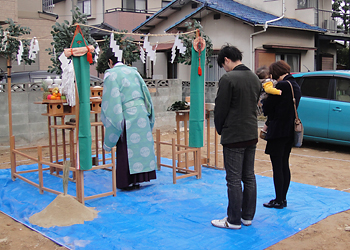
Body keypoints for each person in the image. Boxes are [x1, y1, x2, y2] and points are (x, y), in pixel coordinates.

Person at [211, 45, 261, 229]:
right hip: (251, 133)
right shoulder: (255, 78)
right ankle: (247, 217)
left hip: (234, 135)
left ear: (226, 60)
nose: (224, 68)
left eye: (223, 64)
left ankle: (233, 220)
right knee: (248, 176)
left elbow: (221, 108)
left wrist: (220, 128)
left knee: (233, 178)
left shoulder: (228, 78)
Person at [101, 48, 156, 190]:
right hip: (141, 112)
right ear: (123, 60)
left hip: (127, 114)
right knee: (140, 148)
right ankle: (138, 179)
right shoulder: (134, 72)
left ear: (110, 62)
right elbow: (146, 94)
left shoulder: (111, 75)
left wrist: (115, 118)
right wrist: (149, 113)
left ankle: (127, 181)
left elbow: (111, 101)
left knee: (126, 148)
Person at [262, 60, 301, 209]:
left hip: (278, 130)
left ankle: (278, 199)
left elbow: (267, 108)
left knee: (277, 166)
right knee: (284, 164)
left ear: (276, 73)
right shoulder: (295, 85)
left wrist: (266, 95)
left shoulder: (282, 85)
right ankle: (283, 198)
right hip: (289, 130)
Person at [256, 66, 281, 134]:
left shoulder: (259, 82)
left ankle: (264, 130)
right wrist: (278, 91)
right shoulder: (268, 82)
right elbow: (268, 89)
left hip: (263, 99)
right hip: (267, 98)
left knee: (269, 118)